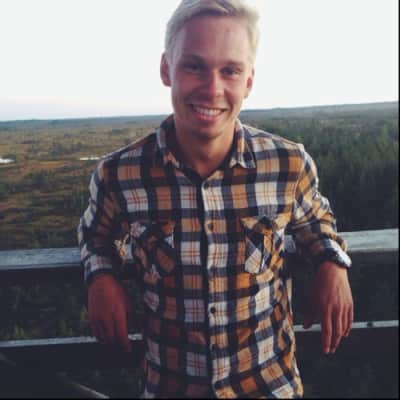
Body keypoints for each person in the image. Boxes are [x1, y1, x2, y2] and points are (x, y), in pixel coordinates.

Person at [78, 0, 353, 397]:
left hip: (269, 387)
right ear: (166, 69)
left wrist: (332, 263)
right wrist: (101, 277)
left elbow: (317, 223)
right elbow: (95, 237)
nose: (212, 89)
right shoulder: (119, 175)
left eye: (230, 71)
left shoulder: (288, 164)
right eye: (194, 66)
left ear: (249, 81)